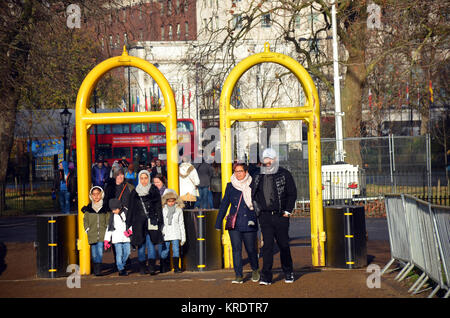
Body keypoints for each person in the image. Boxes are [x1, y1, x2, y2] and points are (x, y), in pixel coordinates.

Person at [251, 148, 297, 285]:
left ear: (275, 159)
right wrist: (258, 212)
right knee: (267, 247)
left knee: (283, 245)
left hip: (280, 216)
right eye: (266, 158)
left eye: (270, 158)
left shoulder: (284, 173)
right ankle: (266, 276)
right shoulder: (258, 175)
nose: (268, 161)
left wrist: (287, 212)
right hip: (265, 217)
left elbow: (292, 193)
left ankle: (288, 272)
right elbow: (254, 194)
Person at [215, 162, 259, 284]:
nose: (238, 174)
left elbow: (259, 203)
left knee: (251, 249)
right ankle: (238, 275)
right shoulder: (230, 186)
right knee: (236, 250)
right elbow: (224, 204)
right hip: (234, 223)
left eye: (240, 171)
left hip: (249, 221)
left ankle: (255, 269)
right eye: (236, 171)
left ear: (246, 172)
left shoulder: (253, 183)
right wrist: (218, 222)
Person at [128, 170, 164, 275]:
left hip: (151, 220)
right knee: (141, 246)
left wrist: (159, 220)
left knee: (151, 244)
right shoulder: (134, 192)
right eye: (142, 178)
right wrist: (128, 223)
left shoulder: (154, 190)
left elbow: (158, 206)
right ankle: (142, 267)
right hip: (138, 223)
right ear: (139, 179)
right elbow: (131, 209)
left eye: (146, 178)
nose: (144, 180)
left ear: (149, 178)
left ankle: (152, 267)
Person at [81, 186, 109, 276]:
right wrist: (87, 229)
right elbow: (85, 220)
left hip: (102, 234)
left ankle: (98, 270)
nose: (96, 196)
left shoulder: (105, 208)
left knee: (100, 251)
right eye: (94, 194)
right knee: (94, 253)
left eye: (98, 194)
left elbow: (107, 218)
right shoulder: (88, 209)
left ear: (102, 195)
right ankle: (95, 267)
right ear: (91, 196)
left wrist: (107, 227)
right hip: (92, 234)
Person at [104, 198, 132, 276]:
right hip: (116, 238)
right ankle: (121, 269)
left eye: (115, 209)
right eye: (112, 210)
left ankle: (121, 265)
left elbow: (131, 223)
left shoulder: (126, 213)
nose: (113, 211)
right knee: (119, 254)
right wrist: (107, 240)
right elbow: (109, 229)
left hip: (126, 238)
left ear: (119, 207)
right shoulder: (112, 217)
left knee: (127, 253)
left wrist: (130, 231)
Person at [160, 189, 186, 273]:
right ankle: (163, 266)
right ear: (165, 201)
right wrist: (161, 232)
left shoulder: (179, 210)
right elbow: (161, 223)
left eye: (173, 201)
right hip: (166, 233)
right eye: (169, 201)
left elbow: (181, 223)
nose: (171, 203)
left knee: (176, 250)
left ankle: (176, 267)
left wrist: (183, 237)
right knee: (165, 251)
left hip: (176, 233)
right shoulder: (163, 210)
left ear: (176, 200)